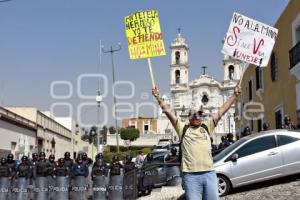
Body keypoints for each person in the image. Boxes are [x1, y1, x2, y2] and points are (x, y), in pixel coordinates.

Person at [152, 84, 241, 200]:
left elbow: (222, 110)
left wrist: (234, 95)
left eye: (200, 114)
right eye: (194, 114)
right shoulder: (182, 128)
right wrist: (158, 97)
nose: (197, 116)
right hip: (191, 176)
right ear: (189, 117)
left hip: (209, 173)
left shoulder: (207, 127)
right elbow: (169, 112)